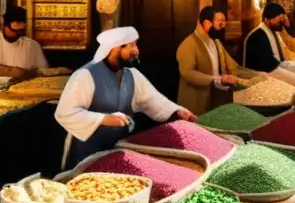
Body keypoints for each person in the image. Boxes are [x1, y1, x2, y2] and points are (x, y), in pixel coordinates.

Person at [55, 27, 195, 170]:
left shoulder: (132, 74)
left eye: (136, 44)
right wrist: (104, 119)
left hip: (116, 149)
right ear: (114, 49)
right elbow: (65, 113)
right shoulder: (85, 75)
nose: (136, 50)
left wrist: (176, 111)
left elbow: (154, 100)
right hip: (85, 151)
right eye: (130, 46)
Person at [176, 7, 241, 117]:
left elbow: (232, 66)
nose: (223, 25)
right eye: (220, 22)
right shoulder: (188, 45)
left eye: (224, 21)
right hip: (195, 104)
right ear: (207, 23)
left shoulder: (215, 42)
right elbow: (188, 73)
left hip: (214, 98)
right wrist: (215, 80)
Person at [0, 6, 47, 78]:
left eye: (21, 31)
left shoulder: (33, 45)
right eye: (14, 30)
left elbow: (43, 71)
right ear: (4, 25)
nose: (17, 34)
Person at [243, 2, 288, 72]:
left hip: (277, 67)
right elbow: (267, 65)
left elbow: (283, 54)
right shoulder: (257, 36)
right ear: (267, 19)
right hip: (264, 73)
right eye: (280, 19)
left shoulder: (274, 31)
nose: (281, 21)